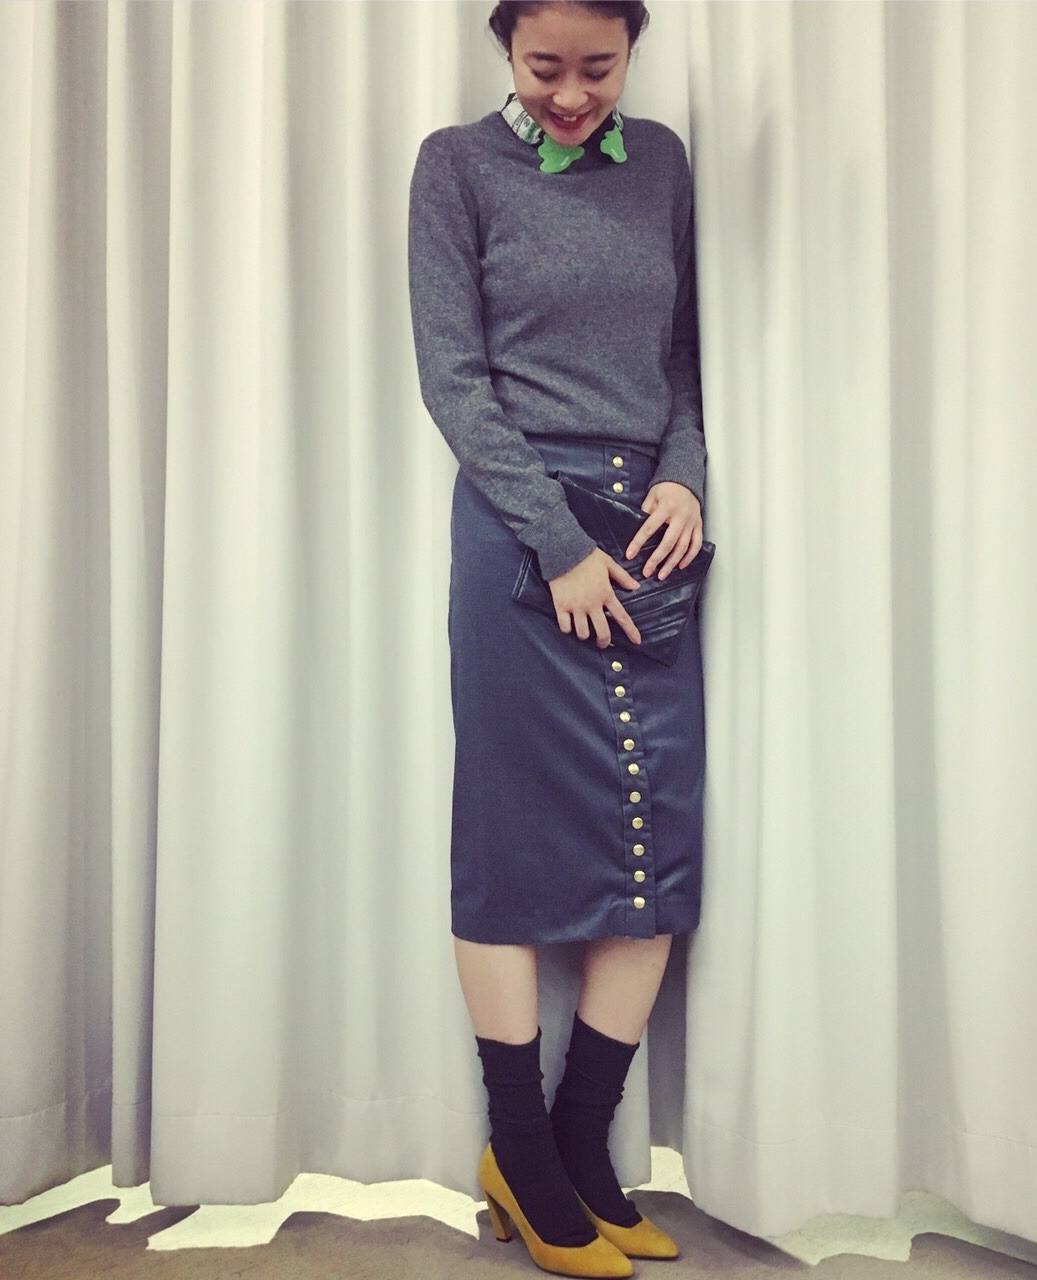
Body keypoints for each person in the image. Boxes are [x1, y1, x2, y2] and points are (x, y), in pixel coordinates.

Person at [408, 2, 707, 1274]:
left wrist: (684, 473)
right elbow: (453, 377)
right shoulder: (455, 166)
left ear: (633, 48)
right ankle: (519, 1149)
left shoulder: (664, 165)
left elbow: (682, 354)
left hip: (646, 528)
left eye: (598, 66)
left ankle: (585, 1143)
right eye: (544, 68)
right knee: (513, 840)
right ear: (504, 52)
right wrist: (555, 540)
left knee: (653, 843)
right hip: (521, 527)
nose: (572, 94)